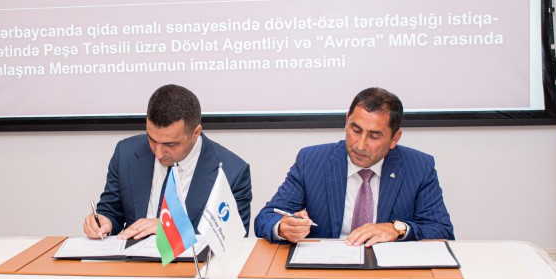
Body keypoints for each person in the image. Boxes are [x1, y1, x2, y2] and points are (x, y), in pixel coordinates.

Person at [254, 87, 453, 246]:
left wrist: (397, 229)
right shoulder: (311, 160)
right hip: (326, 267)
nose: (360, 145)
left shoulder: (419, 167)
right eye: (355, 130)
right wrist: (283, 227)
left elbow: (442, 231)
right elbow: (266, 217)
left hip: (388, 271)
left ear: (394, 138)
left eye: (374, 136)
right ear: (347, 120)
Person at [83, 84, 252, 240]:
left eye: (170, 144)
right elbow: (111, 211)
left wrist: (172, 230)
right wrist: (104, 222)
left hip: (192, 262)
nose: (158, 153)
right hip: (133, 260)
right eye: (152, 139)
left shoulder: (232, 173)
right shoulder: (126, 153)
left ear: (195, 133)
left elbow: (231, 240)